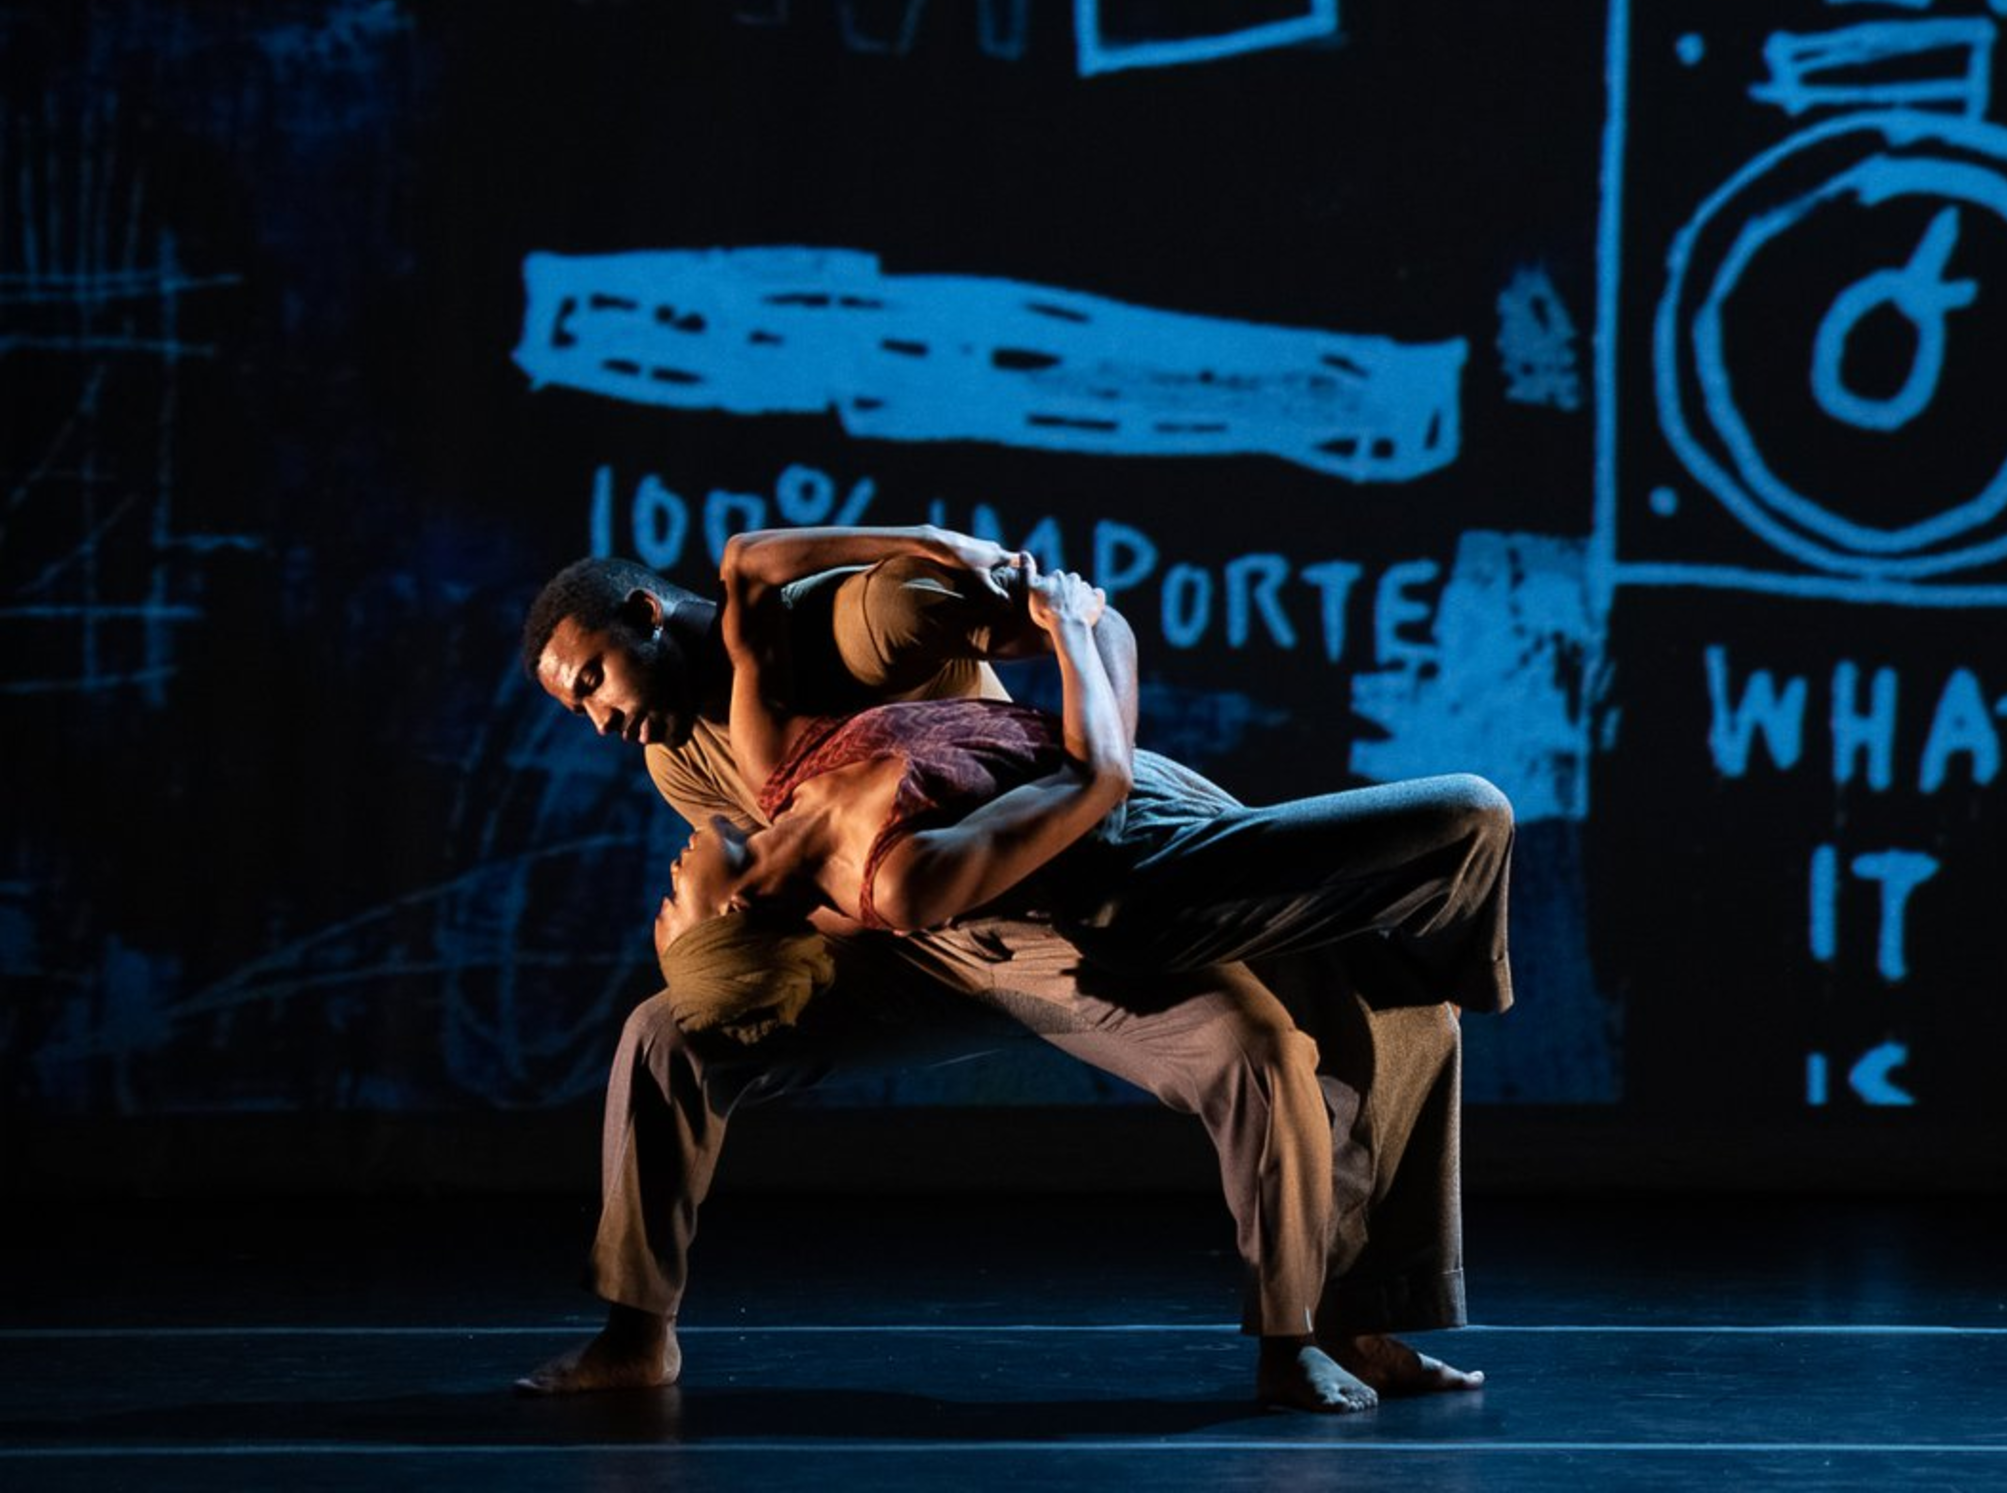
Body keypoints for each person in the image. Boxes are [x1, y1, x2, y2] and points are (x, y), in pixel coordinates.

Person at [519, 526, 1495, 1410]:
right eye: (579, 706)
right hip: (912, 923)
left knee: (1280, 1044)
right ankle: (636, 1336)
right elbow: (802, 888)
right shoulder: (679, 755)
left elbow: (1078, 653)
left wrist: (963, 560)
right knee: (666, 1033)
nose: (598, 720)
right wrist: (763, 941)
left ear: (645, 615)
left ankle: (1317, 1333)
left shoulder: (862, 623)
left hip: (1067, 885)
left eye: (594, 680)